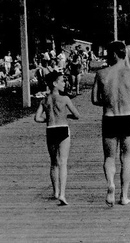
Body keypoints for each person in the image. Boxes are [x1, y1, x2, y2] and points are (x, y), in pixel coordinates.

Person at [91, 41, 130, 206]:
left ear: (114, 54)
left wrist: (109, 103)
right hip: (127, 117)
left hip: (109, 117)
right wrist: (129, 103)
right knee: (126, 158)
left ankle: (110, 184)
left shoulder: (101, 74)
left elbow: (94, 99)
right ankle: (124, 196)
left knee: (109, 157)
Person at [34, 71, 80, 205]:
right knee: (63, 162)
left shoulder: (44, 100)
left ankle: (55, 191)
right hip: (63, 128)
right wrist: (66, 117)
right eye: (62, 81)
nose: (64, 83)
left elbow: (37, 118)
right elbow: (77, 115)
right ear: (55, 83)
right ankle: (62, 194)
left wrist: (47, 118)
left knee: (53, 162)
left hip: (50, 129)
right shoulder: (65, 99)